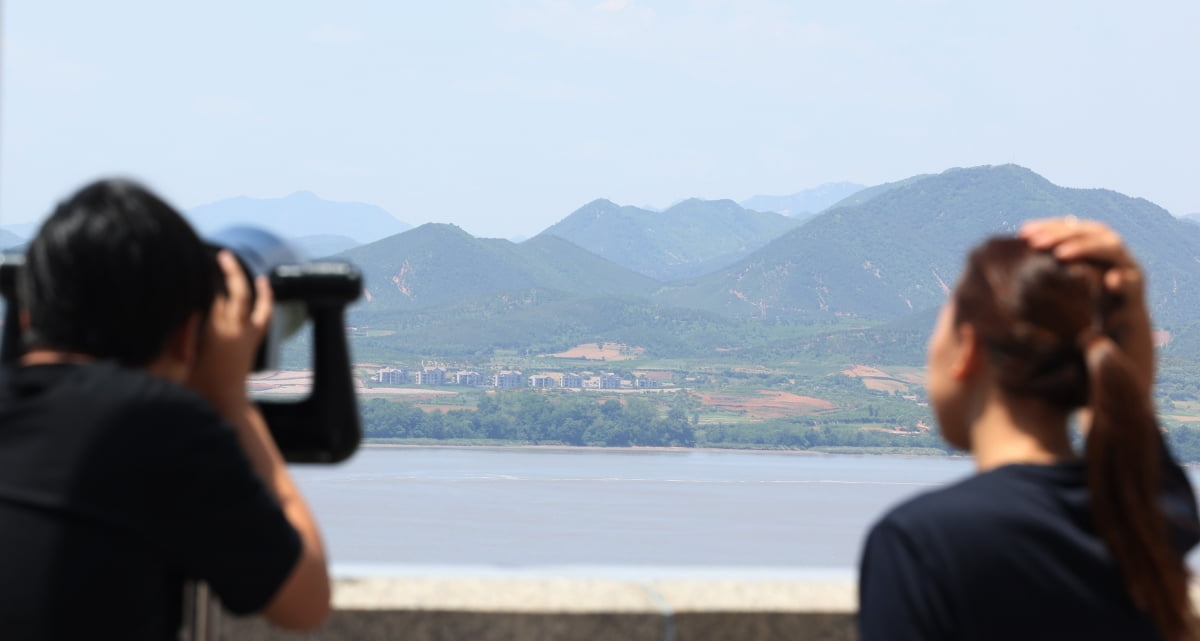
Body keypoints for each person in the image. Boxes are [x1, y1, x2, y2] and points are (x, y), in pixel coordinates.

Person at [0, 179, 331, 639]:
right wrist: (231, 403)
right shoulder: (160, 426)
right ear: (186, 336)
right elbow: (304, 603)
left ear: (25, 315)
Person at [858, 217, 1200, 641]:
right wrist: (1125, 303)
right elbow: (1127, 417)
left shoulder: (921, 543)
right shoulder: (1150, 515)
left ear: (968, 349)